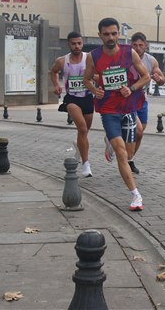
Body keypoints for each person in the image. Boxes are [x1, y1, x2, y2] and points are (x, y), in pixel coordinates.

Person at [83, 17, 151, 211]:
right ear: (100, 35)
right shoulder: (94, 56)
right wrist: (94, 90)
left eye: (114, 33)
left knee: (128, 154)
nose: (111, 37)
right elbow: (86, 79)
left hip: (128, 108)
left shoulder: (129, 53)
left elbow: (146, 76)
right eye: (106, 34)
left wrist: (132, 88)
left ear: (118, 34)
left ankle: (110, 142)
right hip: (108, 109)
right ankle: (135, 195)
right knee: (121, 153)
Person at [49, 31, 94, 178]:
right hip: (72, 98)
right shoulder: (62, 61)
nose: (77, 46)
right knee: (82, 128)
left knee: (84, 132)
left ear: (82, 43)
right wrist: (56, 85)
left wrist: (95, 78)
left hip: (87, 97)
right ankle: (86, 164)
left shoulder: (89, 58)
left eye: (79, 43)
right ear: (68, 44)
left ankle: (78, 146)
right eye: (73, 44)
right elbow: (53, 71)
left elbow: (98, 73)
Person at [129, 32, 165, 174]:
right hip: (128, 97)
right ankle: (115, 139)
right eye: (135, 45)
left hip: (142, 98)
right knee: (137, 129)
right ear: (131, 45)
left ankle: (130, 159)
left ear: (146, 45)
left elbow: (162, 79)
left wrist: (159, 79)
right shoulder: (125, 58)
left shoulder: (151, 60)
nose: (138, 48)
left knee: (139, 133)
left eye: (140, 45)